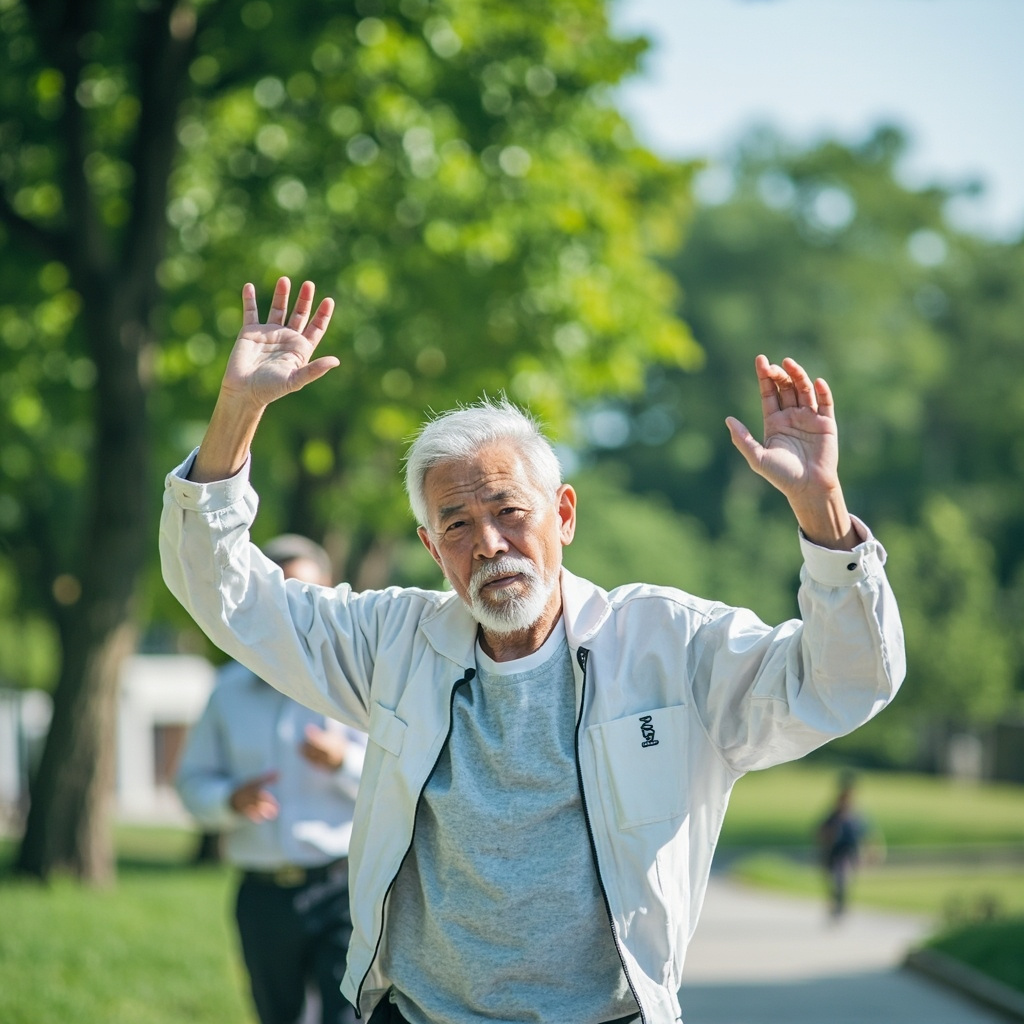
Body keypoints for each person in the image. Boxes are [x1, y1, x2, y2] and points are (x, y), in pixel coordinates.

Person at [161, 277, 906, 1024]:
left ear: (565, 514)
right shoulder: (393, 643)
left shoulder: (669, 644)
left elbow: (846, 681)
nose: (488, 543)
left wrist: (821, 509)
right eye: (456, 524)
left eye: (509, 511)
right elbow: (225, 594)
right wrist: (238, 412)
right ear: (432, 548)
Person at [175, 532, 365, 1024]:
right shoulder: (227, 691)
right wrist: (228, 800)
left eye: (307, 593)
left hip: (343, 889)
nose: (294, 607)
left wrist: (344, 761)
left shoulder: (356, 682)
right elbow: (191, 783)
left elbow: (400, 782)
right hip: (262, 896)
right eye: (280, 593)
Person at [817, 771, 869, 919]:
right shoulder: (833, 816)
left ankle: (840, 906)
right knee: (835, 881)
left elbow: (865, 833)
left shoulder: (856, 816)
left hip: (849, 852)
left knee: (844, 880)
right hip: (834, 851)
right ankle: (836, 905)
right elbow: (821, 833)